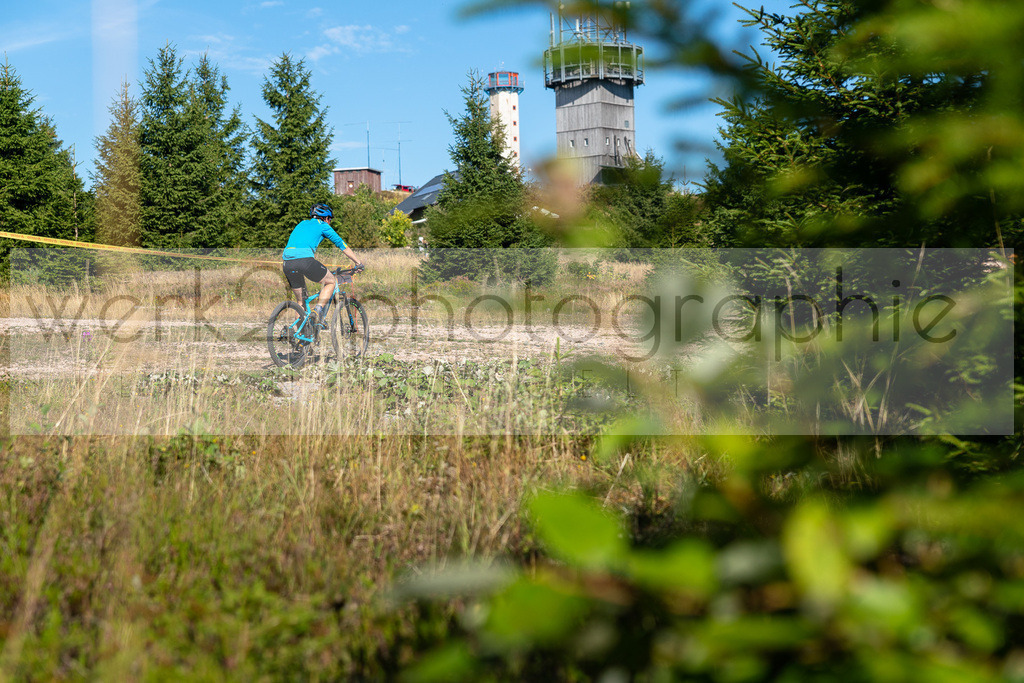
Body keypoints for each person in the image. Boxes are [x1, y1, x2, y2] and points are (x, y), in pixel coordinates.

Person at [282, 203, 362, 327]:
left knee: (301, 301)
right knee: (331, 282)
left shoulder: (301, 224)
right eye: (330, 219)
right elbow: (342, 246)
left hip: (287, 263)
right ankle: (318, 310)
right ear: (325, 218)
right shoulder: (323, 226)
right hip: (304, 260)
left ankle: (299, 337)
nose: (330, 222)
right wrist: (358, 263)